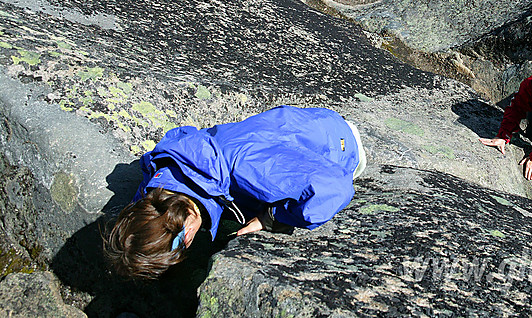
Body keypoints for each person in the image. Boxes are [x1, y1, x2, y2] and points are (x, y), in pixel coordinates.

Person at [103, 105, 366, 280]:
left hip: (339, 144)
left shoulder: (249, 168)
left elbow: (333, 189)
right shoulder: (162, 181)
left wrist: (271, 218)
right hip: (290, 125)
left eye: (179, 248)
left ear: (184, 235)